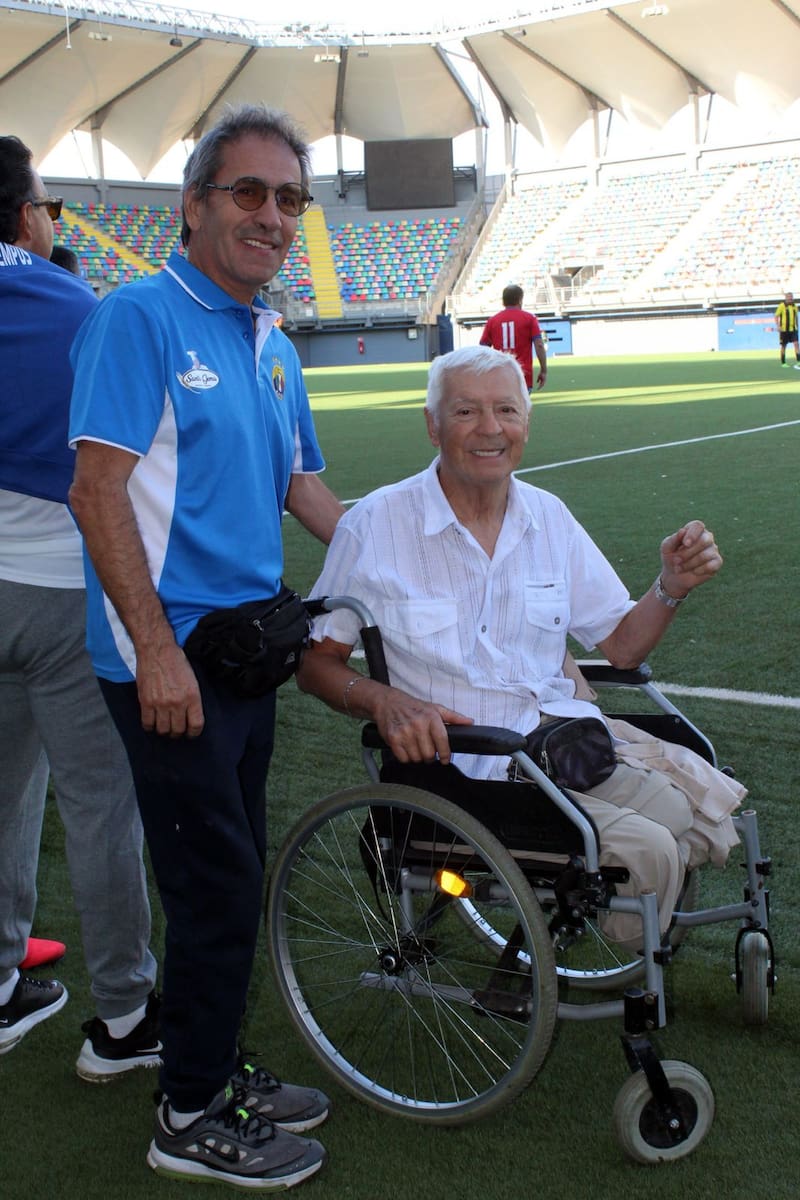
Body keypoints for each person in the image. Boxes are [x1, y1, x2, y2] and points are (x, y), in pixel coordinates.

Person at [68, 104, 345, 1191]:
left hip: (243, 655)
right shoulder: (138, 317)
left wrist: (414, 542)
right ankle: (187, 1112)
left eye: (289, 199)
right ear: (192, 206)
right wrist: (155, 652)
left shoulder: (270, 337)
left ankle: (207, 1062)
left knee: (220, 876)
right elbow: (96, 493)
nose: (271, 216)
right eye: (248, 193)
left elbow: (302, 486)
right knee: (216, 883)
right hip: (167, 665)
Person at [295, 344, 745, 949]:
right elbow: (314, 663)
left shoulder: (548, 517)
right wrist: (381, 700)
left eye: (506, 410)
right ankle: (627, 963)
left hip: (563, 744)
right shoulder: (374, 526)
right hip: (465, 774)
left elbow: (621, 647)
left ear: (526, 424)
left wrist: (672, 586)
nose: (489, 429)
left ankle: (578, 935)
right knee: (654, 848)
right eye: (465, 413)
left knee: (696, 813)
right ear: (432, 425)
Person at [0, 135, 159, 1072]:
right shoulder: (75, 301)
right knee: (100, 806)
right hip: (63, 591)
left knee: (4, 794)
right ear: (28, 216)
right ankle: (128, 1017)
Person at [480, 283, 547, 390]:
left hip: (500, 375)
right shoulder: (529, 318)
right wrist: (544, 370)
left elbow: (483, 349)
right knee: (520, 406)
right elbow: (539, 345)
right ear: (520, 300)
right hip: (523, 375)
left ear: (503, 301)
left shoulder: (492, 321)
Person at [774, 291, 800, 367]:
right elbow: (776, 316)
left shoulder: (795, 306)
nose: (790, 299)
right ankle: (783, 362)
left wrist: (797, 326)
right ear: (786, 298)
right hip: (784, 330)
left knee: (796, 344)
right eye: (789, 297)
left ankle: (799, 361)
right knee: (784, 346)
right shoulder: (781, 306)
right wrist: (778, 326)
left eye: (791, 297)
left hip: (793, 329)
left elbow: (796, 316)